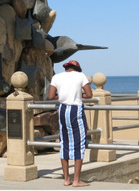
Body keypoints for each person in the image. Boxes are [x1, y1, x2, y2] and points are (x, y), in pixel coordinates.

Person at [48, 59, 93, 187]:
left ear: (66, 68)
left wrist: (62, 96)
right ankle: (76, 180)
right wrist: (79, 95)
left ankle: (66, 179)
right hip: (75, 110)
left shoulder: (57, 77)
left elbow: (51, 96)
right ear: (77, 68)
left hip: (62, 110)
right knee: (79, 144)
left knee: (64, 143)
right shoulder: (80, 76)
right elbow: (89, 94)